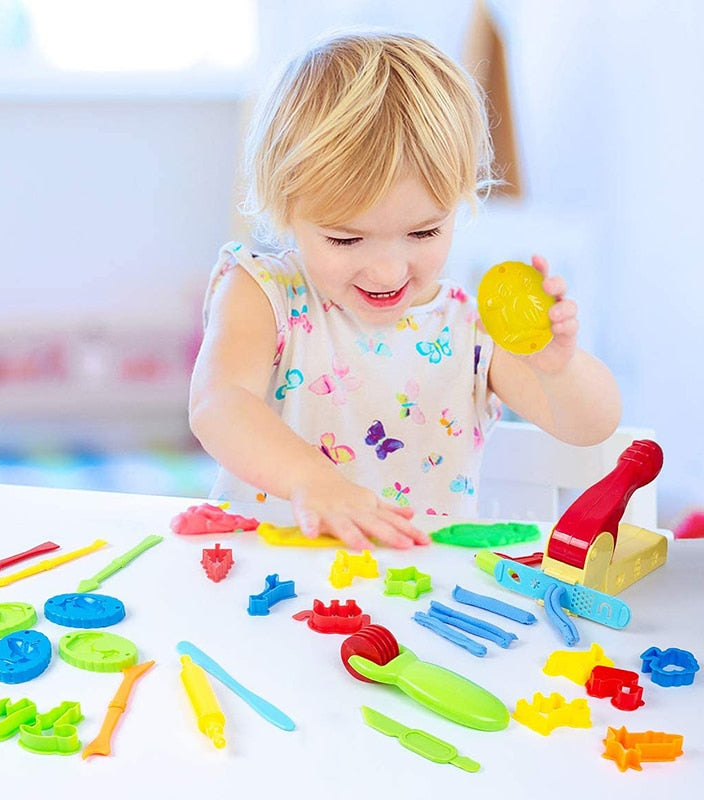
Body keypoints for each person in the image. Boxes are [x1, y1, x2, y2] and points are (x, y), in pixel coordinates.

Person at [189, 30, 621, 550]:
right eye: (346, 239)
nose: (388, 271)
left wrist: (559, 369)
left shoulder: (469, 325)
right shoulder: (263, 294)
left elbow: (591, 428)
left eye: (424, 232)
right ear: (286, 210)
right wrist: (313, 481)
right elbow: (219, 403)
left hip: (421, 583)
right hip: (273, 571)